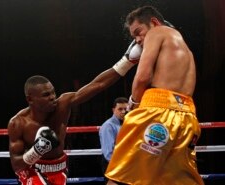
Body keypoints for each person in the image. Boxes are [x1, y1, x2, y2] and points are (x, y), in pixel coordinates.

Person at [7, 40, 142, 185]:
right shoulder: (18, 123)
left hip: (59, 168)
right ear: (30, 99)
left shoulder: (63, 104)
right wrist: (37, 150)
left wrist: (127, 61)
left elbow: (97, 85)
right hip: (32, 170)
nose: (53, 97)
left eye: (53, 92)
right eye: (46, 95)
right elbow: (17, 164)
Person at [105, 6, 204, 185]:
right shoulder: (184, 48)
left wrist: (133, 103)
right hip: (188, 117)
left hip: (157, 113)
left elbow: (142, 77)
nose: (137, 40)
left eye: (138, 32)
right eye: (133, 37)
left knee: (120, 178)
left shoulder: (156, 32)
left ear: (154, 22)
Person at [99, 97, 129, 184]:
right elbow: (108, 153)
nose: (123, 112)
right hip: (113, 164)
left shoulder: (128, 124)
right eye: (120, 109)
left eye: (125, 109)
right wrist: (120, 167)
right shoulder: (108, 126)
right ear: (113, 110)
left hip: (125, 163)